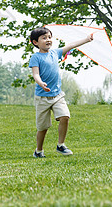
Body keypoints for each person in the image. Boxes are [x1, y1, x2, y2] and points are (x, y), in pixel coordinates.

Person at [29, 26, 93, 158]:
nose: (48, 40)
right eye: (44, 38)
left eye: (49, 37)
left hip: (57, 95)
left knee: (65, 116)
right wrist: (41, 83)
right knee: (43, 127)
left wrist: (87, 39)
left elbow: (71, 45)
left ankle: (60, 145)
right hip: (42, 97)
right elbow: (35, 74)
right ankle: (38, 151)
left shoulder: (55, 53)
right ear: (35, 42)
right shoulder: (35, 57)